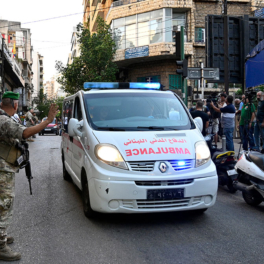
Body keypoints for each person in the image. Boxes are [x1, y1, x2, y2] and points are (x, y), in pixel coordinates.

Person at [0, 91, 58, 261]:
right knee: (4, 205)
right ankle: (0, 245)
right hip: (2, 170)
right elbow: (25, 133)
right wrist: (47, 121)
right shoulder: (3, 120)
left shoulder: (5, 118)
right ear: (15, 105)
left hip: (4, 168)